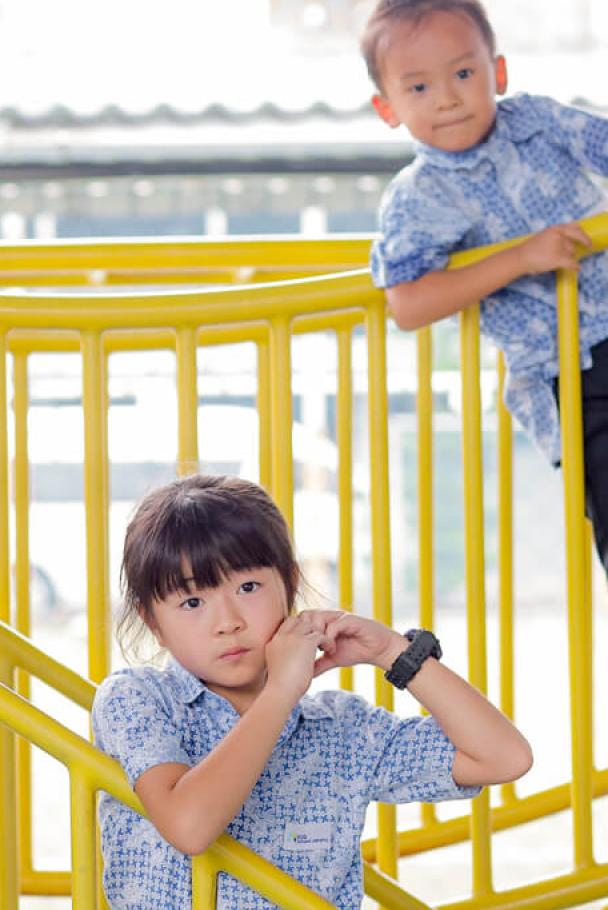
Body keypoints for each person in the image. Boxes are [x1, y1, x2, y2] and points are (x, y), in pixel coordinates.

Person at [92, 474, 531, 909]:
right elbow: (189, 827)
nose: (227, 621)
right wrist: (280, 691)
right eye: (192, 603)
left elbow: (504, 757)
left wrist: (394, 652)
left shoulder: (341, 728)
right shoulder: (138, 700)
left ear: (290, 584)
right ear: (153, 622)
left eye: (248, 587)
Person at [364, 0, 608, 568]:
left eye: (464, 74)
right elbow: (408, 302)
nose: (447, 97)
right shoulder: (418, 196)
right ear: (388, 107)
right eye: (418, 87)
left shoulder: (538, 122)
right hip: (568, 372)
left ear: (496, 73)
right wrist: (522, 257)